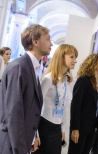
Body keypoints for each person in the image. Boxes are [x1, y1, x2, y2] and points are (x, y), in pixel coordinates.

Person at [0, 24, 53, 154]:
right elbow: (14, 114)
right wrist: (20, 149)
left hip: (22, 141)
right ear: (35, 42)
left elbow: (29, 108)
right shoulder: (20, 67)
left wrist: (32, 137)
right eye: (47, 39)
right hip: (12, 145)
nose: (51, 44)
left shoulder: (32, 67)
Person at [32, 44, 78, 154]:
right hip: (44, 126)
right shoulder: (48, 79)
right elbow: (34, 108)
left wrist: (63, 129)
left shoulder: (66, 80)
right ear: (61, 57)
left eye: (75, 57)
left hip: (57, 128)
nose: (75, 61)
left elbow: (63, 107)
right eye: (72, 57)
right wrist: (34, 135)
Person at [68, 53, 98, 154]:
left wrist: (97, 125)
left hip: (92, 128)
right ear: (93, 63)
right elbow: (76, 106)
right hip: (80, 128)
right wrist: (75, 128)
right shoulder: (83, 81)